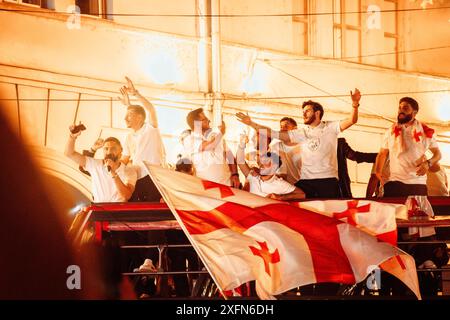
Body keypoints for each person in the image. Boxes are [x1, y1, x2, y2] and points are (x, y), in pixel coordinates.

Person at [236, 88, 361, 198]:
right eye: (303, 112)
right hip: (306, 181)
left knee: (330, 214)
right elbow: (273, 133)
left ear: (317, 113)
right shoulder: (300, 133)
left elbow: (351, 120)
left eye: (307, 111)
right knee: (297, 205)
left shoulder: (331, 127)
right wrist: (251, 124)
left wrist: (355, 105)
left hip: (328, 180)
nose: (304, 114)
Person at [374, 97, 441, 197]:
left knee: (417, 212)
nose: (401, 111)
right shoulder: (391, 131)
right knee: (394, 212)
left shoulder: (425, 131)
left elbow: (437, 154)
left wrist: (428, 164)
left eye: (405, 108)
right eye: (399, 108)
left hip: (417, 183)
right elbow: (382, 153)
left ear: (414, 113)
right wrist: (378, 171)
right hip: (394, 182)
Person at [118, 77, 166, 201]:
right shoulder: (128, 137)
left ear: (140, 118)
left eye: (129, 116)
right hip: (136, 179)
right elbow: (124, 159)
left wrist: (135, 94)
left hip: (153, 176)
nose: (125, 119)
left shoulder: (150, 129)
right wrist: (113, 168)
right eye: (126, 116)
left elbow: (150, 109)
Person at [64, 124, 137, 202]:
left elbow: (126, 196)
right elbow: (69, 153)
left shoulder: (129, 171)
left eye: (113, 148)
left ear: (121, 150)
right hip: (99, 209)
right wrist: (72, 136)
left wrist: (113, 173)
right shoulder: (95, 164)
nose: (109, 152)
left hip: (118, 211)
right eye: (106, 149)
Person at [236, 134, 305, 201]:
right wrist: (242, 144)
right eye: (261, 163)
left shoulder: (280, 183)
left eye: (267, 163)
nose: (262, 165)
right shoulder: (253, 177)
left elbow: (301, 194)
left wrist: (280, 197)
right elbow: (240, 161)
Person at [185, 108, 240, 188]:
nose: (209, 120)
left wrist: (235, 174)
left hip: (227, 185)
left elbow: (230, 156)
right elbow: (210, 146)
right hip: (207, 189)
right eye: (205, 119)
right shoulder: (189, 139)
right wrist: (222, 132)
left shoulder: (216, 137)